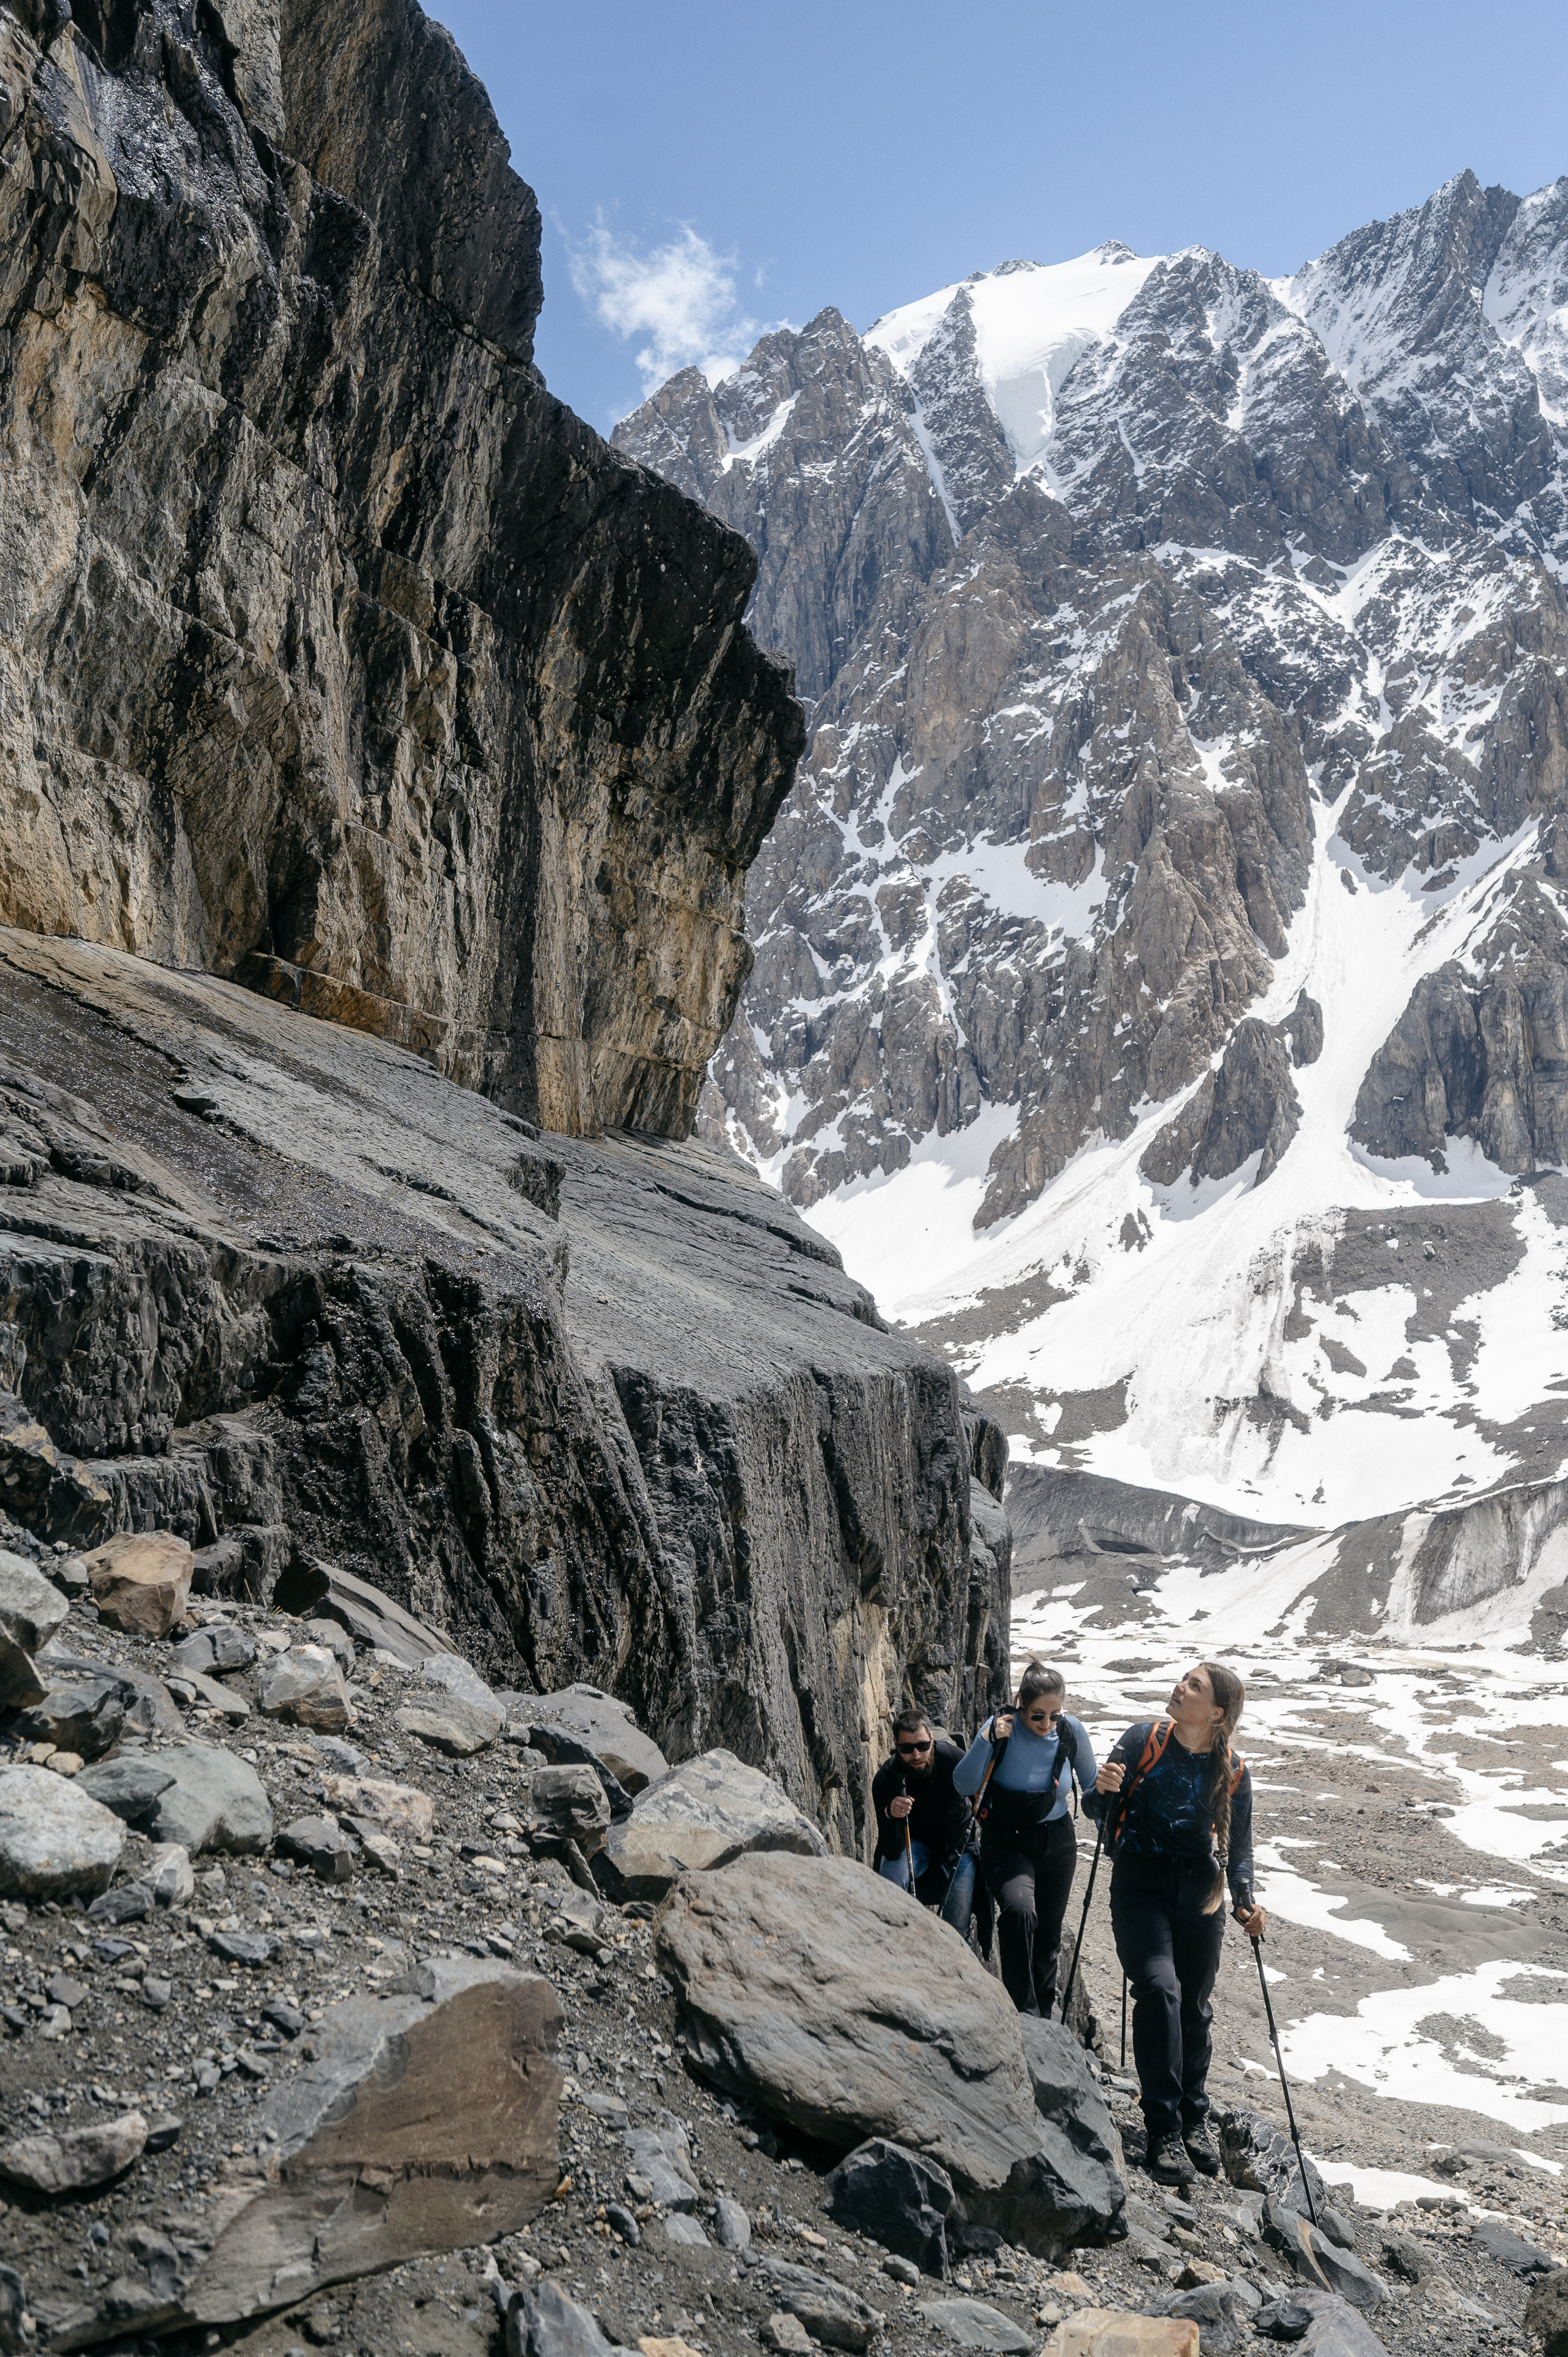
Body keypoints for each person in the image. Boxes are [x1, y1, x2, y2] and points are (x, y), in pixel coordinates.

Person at [1085, 1662, 1267, 2186]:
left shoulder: (1231, 1769)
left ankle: (1193, 2118)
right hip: (1140, 1885)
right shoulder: (1143, 1739)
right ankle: (1162, 2126)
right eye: (1182, 1680)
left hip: (1200, 1896)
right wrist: (1100, 1788)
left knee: (1193, 2006)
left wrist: (1245, 1903)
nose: (1178, 1687)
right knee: (1160, 1990)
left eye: (1193, 1686)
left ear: (1215, 1713)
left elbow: (1238, 1848)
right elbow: (1095, 1810)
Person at [953, 1662, 1095, 2016]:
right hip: (1007, 1841)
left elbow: (1092, 1786)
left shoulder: (1070, 1731)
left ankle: (1044, 2015)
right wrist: (988, 1740)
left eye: (1054, 1715)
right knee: (1019, 1914)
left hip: (1058, 1842)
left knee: (1048, 1937)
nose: (1046, 1725)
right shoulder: (999, 1728)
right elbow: (964, 1784)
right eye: (1037, 1716)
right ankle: (1024, 2013)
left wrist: (1110, 1792)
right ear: (1020, 1702)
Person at [871, 1707, 978, 1936]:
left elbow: (981, 1798)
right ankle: (893, 1939)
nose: (917, 1755)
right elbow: (889, 1849)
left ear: (932, 1739)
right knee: (890, 1876)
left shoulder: (953, 1759)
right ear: (896, 1746)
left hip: (957, 1845)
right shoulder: (886, 1779)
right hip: (915, 1844)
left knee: (957, 1927)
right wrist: (891, 1813)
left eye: (923, 1746)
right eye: (907, 1749)